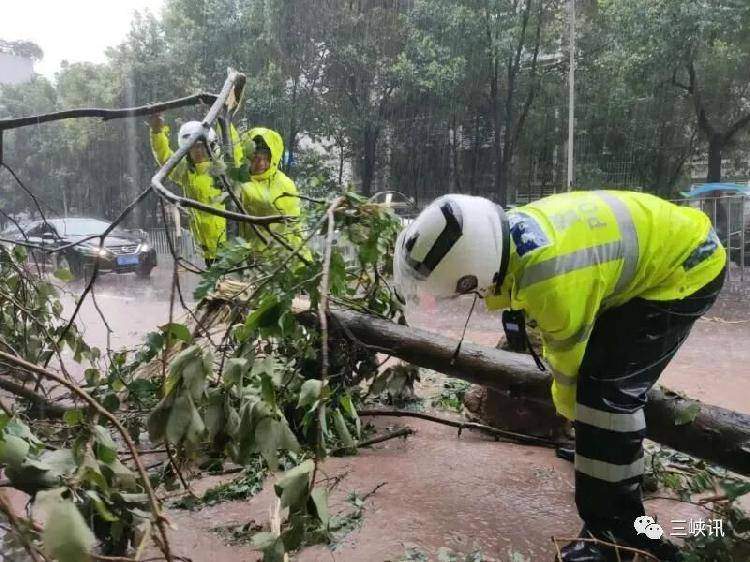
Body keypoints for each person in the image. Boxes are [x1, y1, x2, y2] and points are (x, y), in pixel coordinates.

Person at [393, 190, 726, 562]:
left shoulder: (550, 277)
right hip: (665, 250)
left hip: (687, 269)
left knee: (605, 394)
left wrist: (579, 420)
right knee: (599, 393)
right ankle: (603, 460)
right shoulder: (510, 232)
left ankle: (616, 535)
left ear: (472, 274)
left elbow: (569, 368)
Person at [149, 113, 242, 266]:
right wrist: (157, 132)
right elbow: (166, 158)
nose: (197, 151)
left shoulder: (223, 168)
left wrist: (223, 120)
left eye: (201, 146)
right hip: (208, 250)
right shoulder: (185, 172)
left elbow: (235, 151)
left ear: (209, 145)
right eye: (193, 147)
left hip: (231, 246)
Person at [236, 127, 303, 251]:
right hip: (251, 256)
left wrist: (301, 254)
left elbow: (295, 226)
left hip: (282, 254)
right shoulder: (239, 183)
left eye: (266, 158)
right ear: (247, 156)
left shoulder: (286, 184)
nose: (261, 164)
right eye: (255, 157)